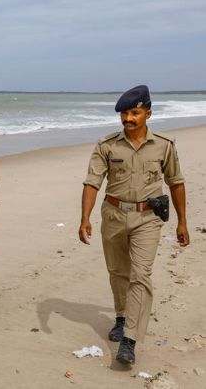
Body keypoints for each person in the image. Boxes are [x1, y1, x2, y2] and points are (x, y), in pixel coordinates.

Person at [79, 85, 190, 365]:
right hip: (113, 215)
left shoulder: (164, 146)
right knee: (118, 272)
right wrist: (84, 219)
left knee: (140, 275)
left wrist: (182, 223)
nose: (128, 118)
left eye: (135, 113)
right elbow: (93, 182)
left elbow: (176, 183)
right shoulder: (107, 145)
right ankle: (120, 316)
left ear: (148, 114)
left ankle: (129, 339)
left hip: (147, 218)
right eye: (124, 113)